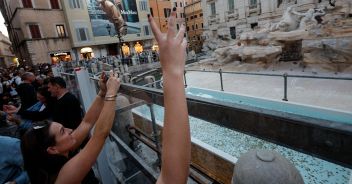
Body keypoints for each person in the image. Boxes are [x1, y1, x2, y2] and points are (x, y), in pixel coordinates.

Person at [21, 7, 190, 184]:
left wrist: (102, 94)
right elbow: (100, 133)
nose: (70, 130)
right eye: (63, 131)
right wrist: (172, 71)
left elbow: (87, 123)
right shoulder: (64, 177)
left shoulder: (63, 151)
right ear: (52, 150)